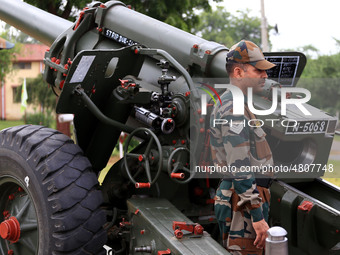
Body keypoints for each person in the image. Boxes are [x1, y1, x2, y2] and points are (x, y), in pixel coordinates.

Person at [210, 40, 275, 255]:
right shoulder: (234, 109)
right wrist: (257, 217)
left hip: (245, 201)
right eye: (259, 71)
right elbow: (240, 168)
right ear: (238, 72)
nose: (265, 76)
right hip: (243, 207)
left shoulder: (237, 103)